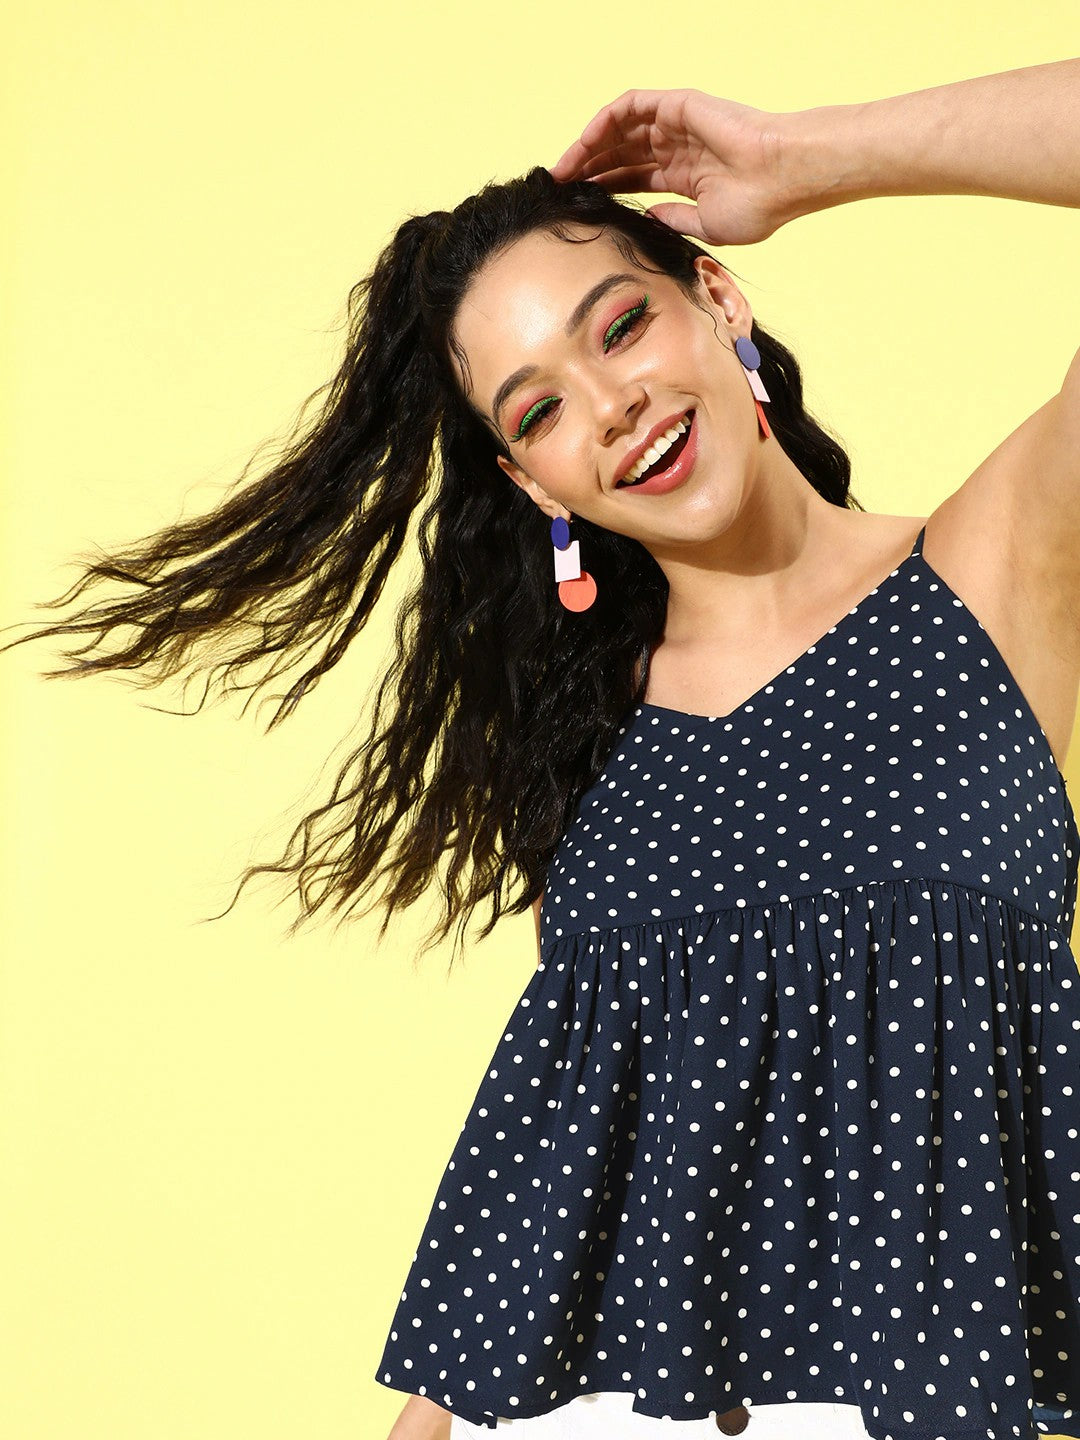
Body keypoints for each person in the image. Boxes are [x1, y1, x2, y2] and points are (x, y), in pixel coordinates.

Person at [6, 62, 1080, 1440]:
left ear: (718, 299)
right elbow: (543, 1192)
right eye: (540, 409)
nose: (611, 406)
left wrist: (807, 158)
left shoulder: (991, 575)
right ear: (531, 480)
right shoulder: (593, 740)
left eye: (621, 325)